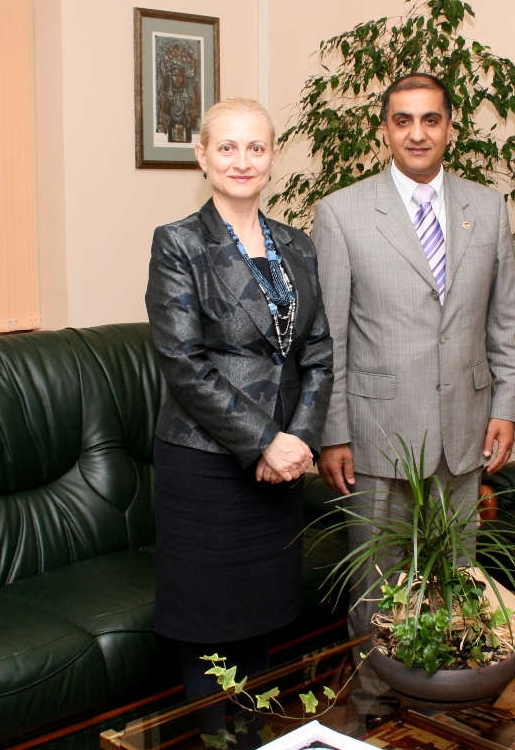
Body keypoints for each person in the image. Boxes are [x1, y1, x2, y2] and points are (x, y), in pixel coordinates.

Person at [313, 74, 515, 635]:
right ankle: (375, 702)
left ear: (449, 128)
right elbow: (329, 336)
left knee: (456, 579)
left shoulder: (487, 207)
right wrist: (333, 432)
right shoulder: (341, 213)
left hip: (464, 431)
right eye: (403, 120)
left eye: (430, 119)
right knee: (377, 587)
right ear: (384, 129)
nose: (417, 133)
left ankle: (442, 704)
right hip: (376, 435)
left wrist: (506, 406)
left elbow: (505, 318)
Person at [146, 97, 334, 700]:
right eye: (226, 147)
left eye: (256, 147)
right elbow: (184, 363)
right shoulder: (178, 243)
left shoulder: (298, 245)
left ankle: (254, 735)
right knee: (209, 627)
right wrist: (264, 440)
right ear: (202, 155)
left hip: (281, 468)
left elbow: (319, 351)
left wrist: (300, 439)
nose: (242, 160)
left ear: (273, 157)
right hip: (206, 463)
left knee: (262, 622)